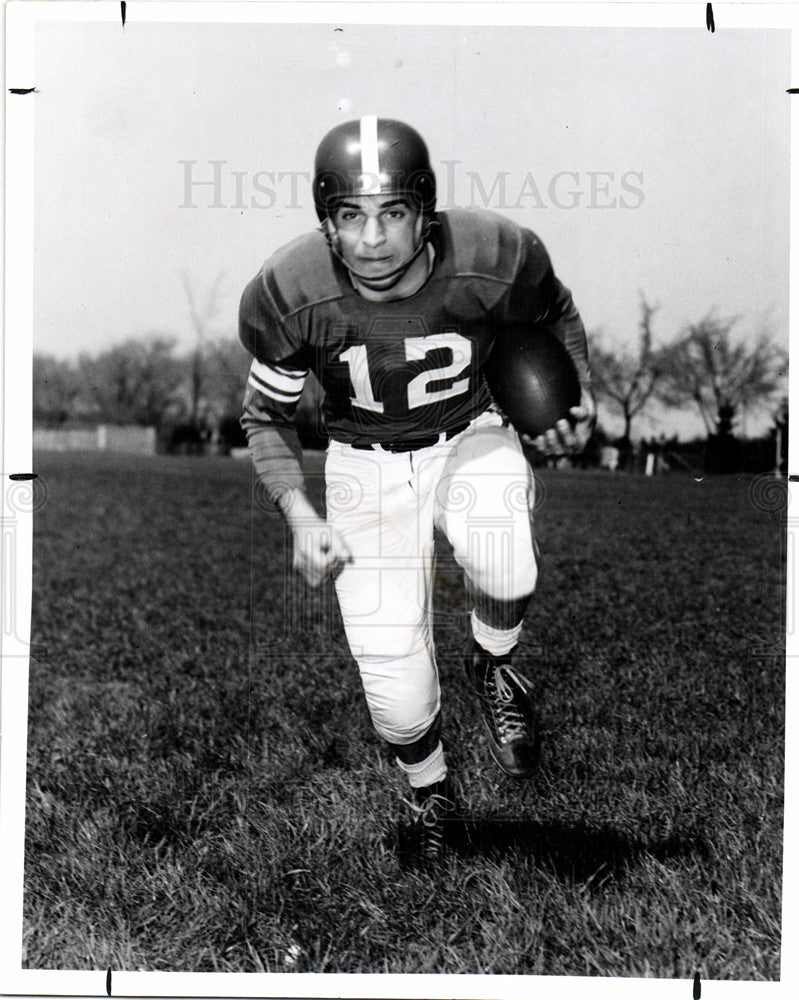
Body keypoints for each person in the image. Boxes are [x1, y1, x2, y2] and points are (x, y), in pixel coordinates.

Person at [239, 116, 595, 864]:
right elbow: (264, 415)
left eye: (391, 213)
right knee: (396, 698)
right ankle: (435, 798)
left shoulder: (495, 256)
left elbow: (553, 313)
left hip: (470, 432)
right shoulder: (289, 290)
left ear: (424, 211)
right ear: (325, 222)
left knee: (505, 560)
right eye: (351, 216)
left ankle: (493, 659)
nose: (372, 238)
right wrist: (301, 518)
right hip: (362, 465)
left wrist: (577, 393)